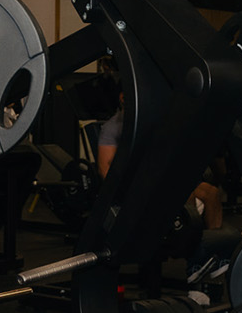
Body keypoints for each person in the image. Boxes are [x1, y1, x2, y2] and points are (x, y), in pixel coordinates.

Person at [95, 96, 225, 230]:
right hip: (136, 183)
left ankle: (212, 241)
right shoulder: (111, 128)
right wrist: (121, 194)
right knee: (185, 196)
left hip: (160, 177)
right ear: (122, 98)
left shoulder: (150, 122)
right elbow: (104, 168)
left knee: (212, 193)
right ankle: (188, 241)